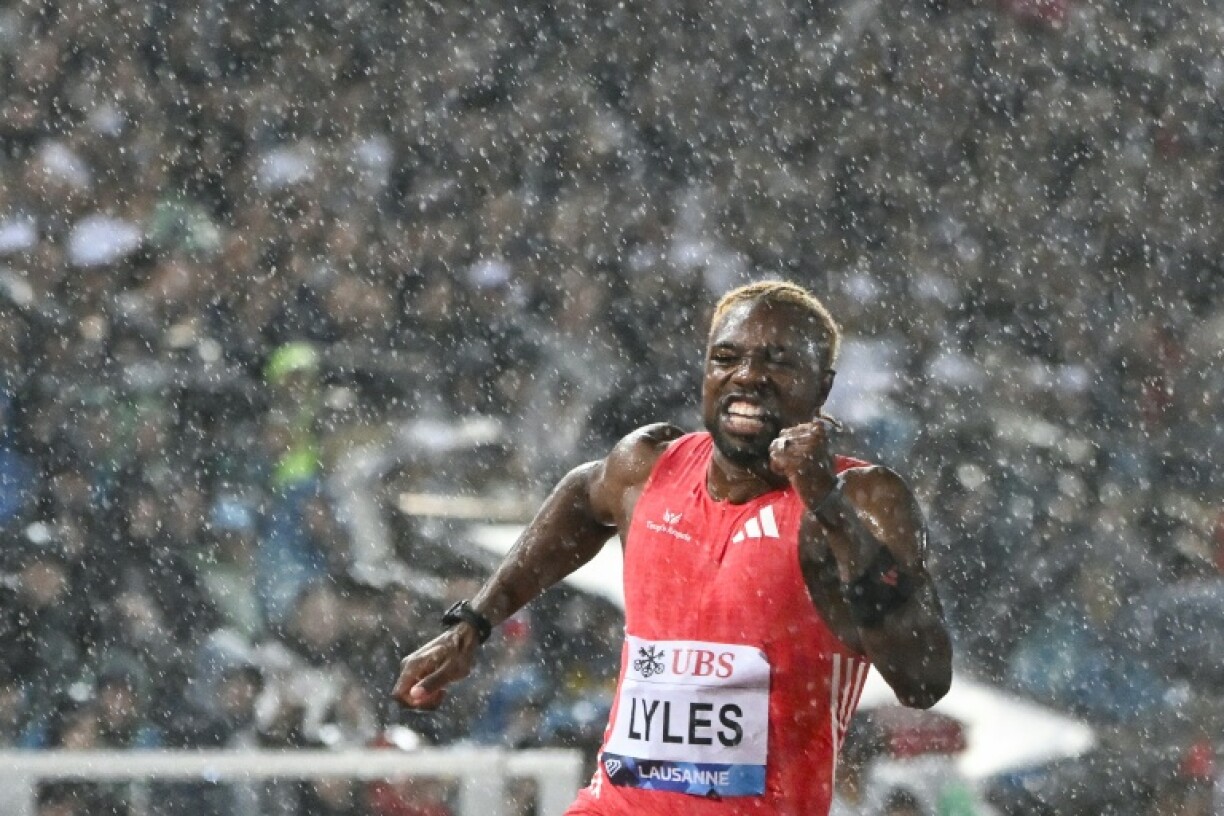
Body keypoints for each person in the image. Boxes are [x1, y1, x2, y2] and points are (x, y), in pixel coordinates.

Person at [393, 280, 953, 815]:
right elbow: (581, 498)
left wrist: (825, 502)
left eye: (778, 362)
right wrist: (473, 624)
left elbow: (923, 680)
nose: (748, 376)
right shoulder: (647, 467)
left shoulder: (863, 497)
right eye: (727, 357)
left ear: (823, 387)